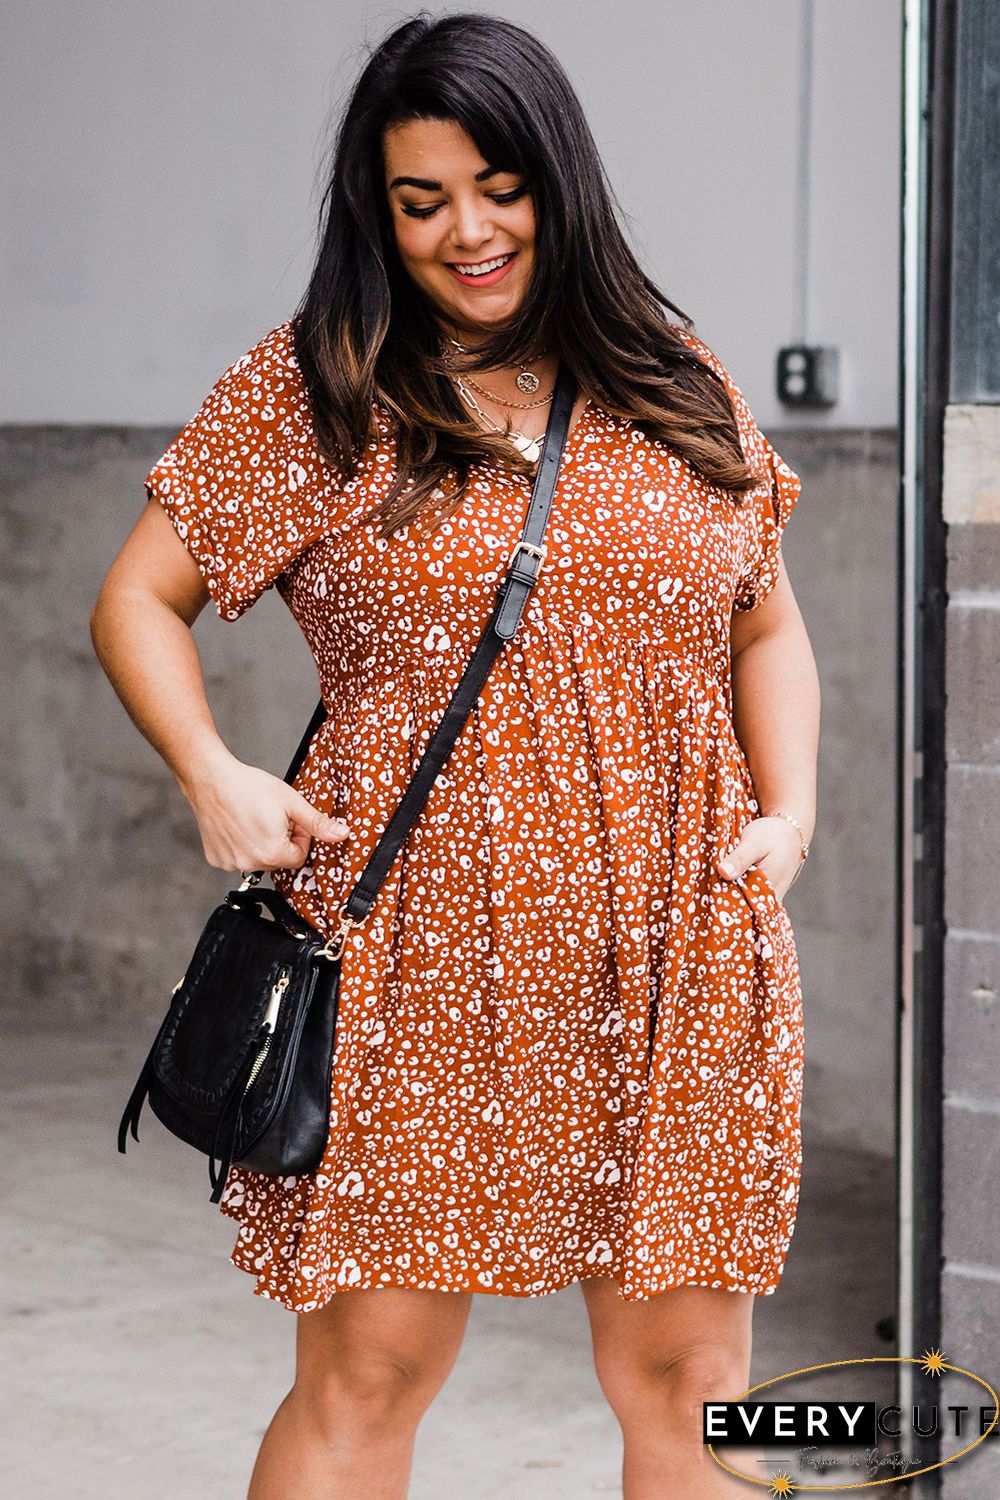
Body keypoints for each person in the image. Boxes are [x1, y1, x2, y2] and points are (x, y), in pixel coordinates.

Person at [90, 12, 820, 1499]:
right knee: (368, 1375)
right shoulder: (321, 385)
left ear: (561, 180)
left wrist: (789, 810)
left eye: (499, 186)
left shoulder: (676, 379)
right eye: (421, 202)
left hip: (674, 944)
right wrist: (214, 774)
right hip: (417, 951)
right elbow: (135, 598)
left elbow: (765, 625)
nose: (468, 232)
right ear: (380, 211)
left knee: (694, 1382)